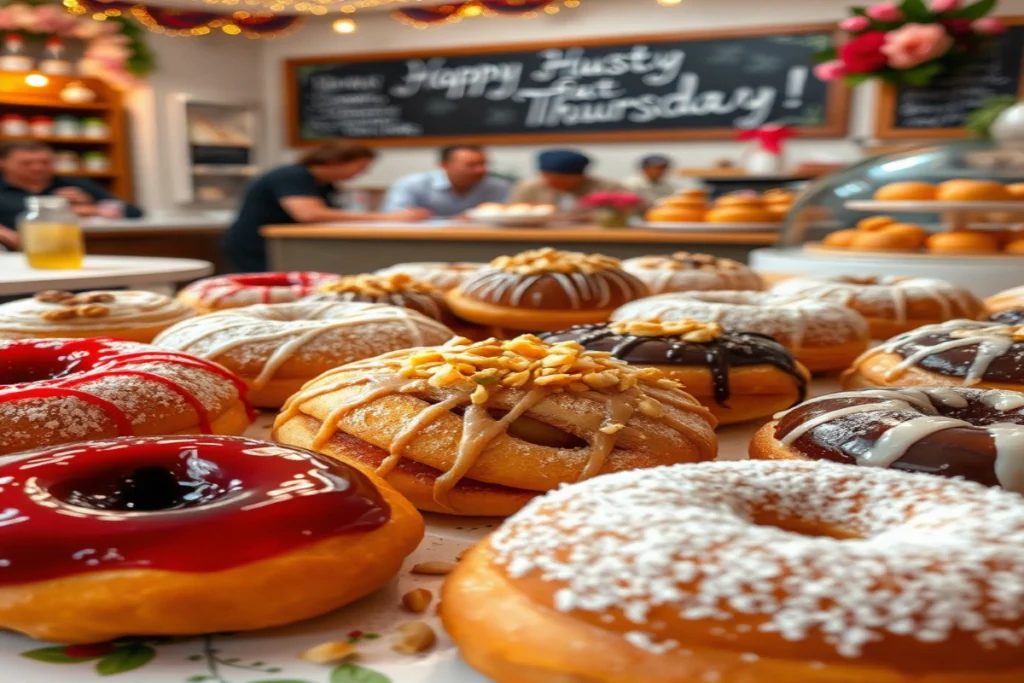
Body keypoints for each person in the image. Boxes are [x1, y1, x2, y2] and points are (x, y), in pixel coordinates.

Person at [222, 142, 430, 272]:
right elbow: (309, 214)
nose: (361, 174)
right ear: (338, 161)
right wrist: (390, 218)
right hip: (258, 247)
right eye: (360, 167)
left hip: (286, 247)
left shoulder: (323, 184)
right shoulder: (293, 175)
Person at [0, 140, 142, 250]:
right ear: (3, 163)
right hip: (14, 255)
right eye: (27, 163)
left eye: (45, 162)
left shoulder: (75, 184)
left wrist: (92, 207)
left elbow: (132, 211)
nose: (38, 167)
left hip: (80, 250)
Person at [382, 145, 510, 217]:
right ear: (444, 165)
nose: (481, 170)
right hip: (422, 243)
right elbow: (393, 216)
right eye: (472, 165)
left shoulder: (497, 186)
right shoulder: (412, 184)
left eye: (484, 164)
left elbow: (507, 216)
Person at [509, 150, 625, 211]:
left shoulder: (608, 187)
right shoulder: (528, 188)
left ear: (579, 176)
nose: (549, 181)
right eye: (545, 176)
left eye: (557, 178)